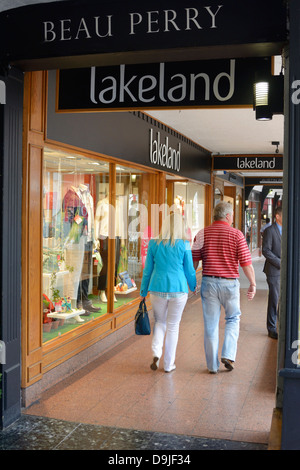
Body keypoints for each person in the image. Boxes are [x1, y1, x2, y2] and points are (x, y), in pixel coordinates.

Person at [192, 201, 256, 374]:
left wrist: (191, 283)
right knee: (233, 318)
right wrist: (253, 283)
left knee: (211, 325)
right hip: (229, 284)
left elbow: (194, 261)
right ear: (228, 216)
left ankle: (212, 366)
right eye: (232, 216)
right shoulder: (237, 235)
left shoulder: (202, 234)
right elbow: (246, 263)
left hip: (209, 283)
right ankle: (228, 354)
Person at [140, 212, 197, 373]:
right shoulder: (184, 244)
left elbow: (148, 270)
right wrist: (193, 286)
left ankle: (156, 352)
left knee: (160, 322)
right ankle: (168, 364)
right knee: (173, 326)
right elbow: (190, 270)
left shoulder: (154, 243)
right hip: (178, 289)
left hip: (157, 287)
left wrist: (143, 290)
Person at [262, 207, 282, 339]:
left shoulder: (288, 230)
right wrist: (281, 263)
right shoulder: (270, 231)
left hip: (285, 272)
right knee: (274, 300)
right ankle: (271, 328)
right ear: (277, 216)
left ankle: (280, 325)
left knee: (283, 300)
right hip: (274, 271)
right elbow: (266, 250)